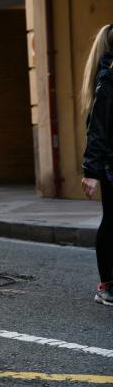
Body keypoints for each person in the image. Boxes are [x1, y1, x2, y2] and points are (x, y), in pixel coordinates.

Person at [81, 23, 113, 306]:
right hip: (110, 166)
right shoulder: (108, 79)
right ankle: (107, 284)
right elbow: (98, 129)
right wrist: (91, 172)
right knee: (111, 222)